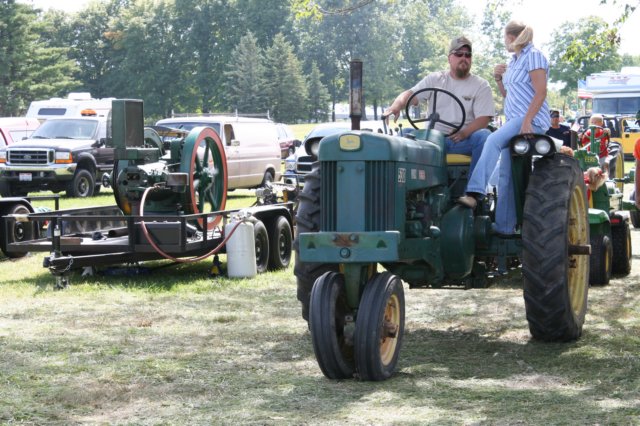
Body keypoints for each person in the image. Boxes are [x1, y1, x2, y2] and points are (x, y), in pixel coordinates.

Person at [458, 20, 550, 236]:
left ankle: (474, 193)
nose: (504, 42)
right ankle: (504, 227)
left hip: (530, 119)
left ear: (512, 38)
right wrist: (499, 79)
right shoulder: (514, 60)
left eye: (504, 38)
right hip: (514, 119)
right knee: (505, 175)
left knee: (491, 140)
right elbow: (511, 97)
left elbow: (541, 92)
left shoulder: (534, 55)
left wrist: (527, 121)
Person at [384, 36, 495, 174]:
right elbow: (411, 95)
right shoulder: (435, 79)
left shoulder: (481, 85)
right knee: (401, 136)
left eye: (468, 55)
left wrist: (464, 133)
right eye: (459, 54)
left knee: (484, 136)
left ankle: (472, 192)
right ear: (450, 58)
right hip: (431, 140)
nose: (464, 58)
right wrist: (396, 106)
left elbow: (483, 119)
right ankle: (399, 191)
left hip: (460, 141)